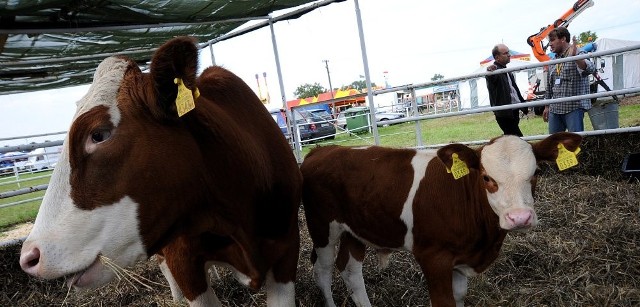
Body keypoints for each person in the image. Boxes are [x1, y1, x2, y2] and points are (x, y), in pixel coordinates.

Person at [543, 27, 595, 133]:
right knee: (554, 143)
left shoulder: (578, 53)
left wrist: (575, 58)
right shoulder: (553, 60)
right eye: (549, 41)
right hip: (555, 108)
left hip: (574, 107)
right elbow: (549, 85)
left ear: (563, 39)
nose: (550, 44)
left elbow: (590, 68)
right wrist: (547, 106)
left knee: (574, 142)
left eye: (553, 40)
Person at [486, 44, 527, 137]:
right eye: (505, 53)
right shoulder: (495, 71)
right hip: (504, 113)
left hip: (513, 110)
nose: (509, 55)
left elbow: (514, 89)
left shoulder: (506, 70)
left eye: (508, 52)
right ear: (497, 57)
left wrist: (523, 104)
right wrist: (490, 70)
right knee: (517, 138)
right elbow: (490, 78)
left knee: (511, 138)